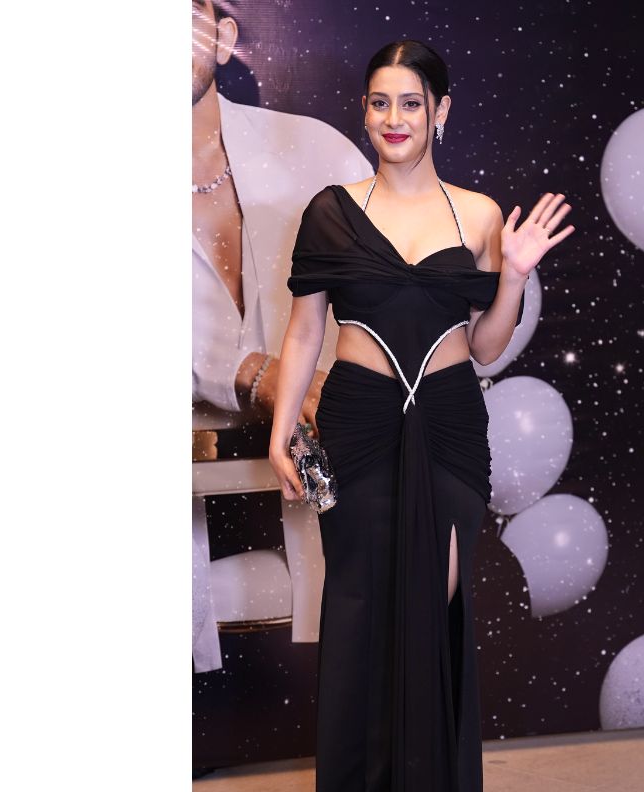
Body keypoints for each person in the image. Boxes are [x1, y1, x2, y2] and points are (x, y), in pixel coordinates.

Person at [268, 39, 574, 792]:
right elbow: (304, 332)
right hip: (357, 425)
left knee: (429, 618)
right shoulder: (331, 210)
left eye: (410, 102)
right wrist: (282, 432)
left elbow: (486, 346)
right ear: (364, 112)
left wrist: (513, 277)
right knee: (363, 617)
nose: (393, 119)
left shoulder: (478, 214)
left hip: (447, 428)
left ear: (440, 110)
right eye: (379, 102)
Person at [191, 0, 372, 673]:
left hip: (333, 460)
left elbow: (393, 288)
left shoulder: (316, 150)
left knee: (365, 633)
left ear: (224, 36)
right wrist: (251, 372)